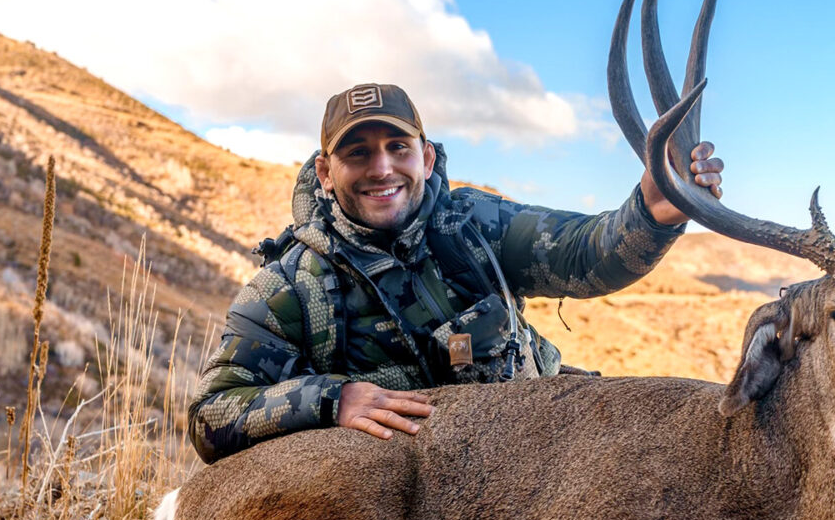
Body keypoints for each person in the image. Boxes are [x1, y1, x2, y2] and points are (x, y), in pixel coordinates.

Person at [187, 82, 725, 463]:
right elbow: (211, 417)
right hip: (417, 502)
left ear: (425, 156)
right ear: (326, 173)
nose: (382, 168)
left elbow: (586, 255)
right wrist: (332, 400)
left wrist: (654, 211)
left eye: (397, 147)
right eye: (357, 153)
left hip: (538, 453)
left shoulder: (477, 225)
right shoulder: (286, 289)